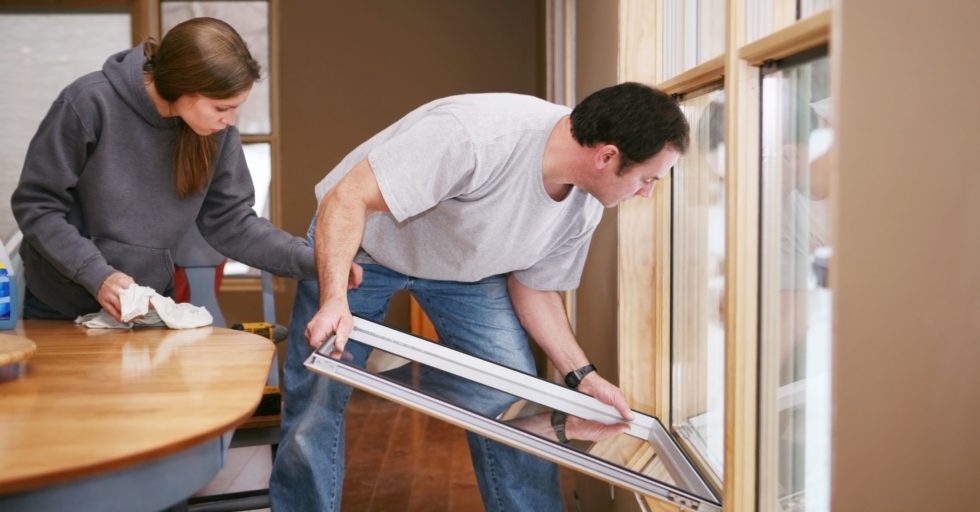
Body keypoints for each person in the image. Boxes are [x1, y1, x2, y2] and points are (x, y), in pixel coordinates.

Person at [271, 83, 689, 511]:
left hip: (468, 272)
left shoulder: (584, 207)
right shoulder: (476, 136)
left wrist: (583, 377)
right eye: (647, 179)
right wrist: (335, 298)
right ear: (607, 156)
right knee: (317, 396)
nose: (647, 193)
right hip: (365, 250)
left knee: (509, 394)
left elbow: (536, 286)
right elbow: (347, 197)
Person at [11, 17, 315, 321]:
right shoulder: (89, 102)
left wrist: (315, 261)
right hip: (60, 305)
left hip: (145, 307)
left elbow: (231, 222)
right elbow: (37, 207)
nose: (230, 121)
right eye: (222, 108)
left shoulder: (216, 134)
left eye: (236, 107)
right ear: (182, 86)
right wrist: (97, 275)